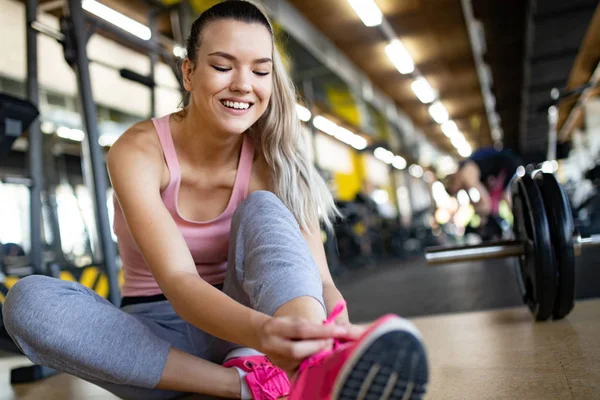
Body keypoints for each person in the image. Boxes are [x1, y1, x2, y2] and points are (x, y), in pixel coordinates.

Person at [2, 1, 428, 399]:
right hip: (161, 345)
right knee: (29, 302)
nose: (243, 84)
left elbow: (321, 279)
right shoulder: (138, 151)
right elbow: (180, 282)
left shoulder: (272, 158)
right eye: (223, 66)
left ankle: (311, 364)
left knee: (262, 208)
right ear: (189, 73)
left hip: (255, 331)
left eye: (260, 72)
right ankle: (245, 386)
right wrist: (264, 337)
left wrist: (331, 333)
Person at [446, 147, 521, 230]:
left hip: (510, 164)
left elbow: (486, 206)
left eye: (455, 190)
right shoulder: (467, 174)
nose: (458, 190)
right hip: (504, 165)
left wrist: (475, 208)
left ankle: (521, 225)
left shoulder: (467, 176)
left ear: (454, 183)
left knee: (507, 198)